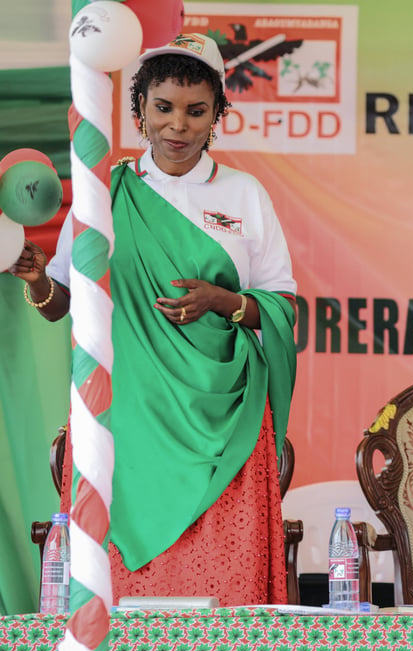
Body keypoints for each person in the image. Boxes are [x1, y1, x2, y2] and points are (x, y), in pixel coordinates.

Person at [9, 34, 297, 606]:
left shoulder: (244, 194)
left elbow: (283, 307)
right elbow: (66, 303)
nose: (178, 126)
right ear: (139, 109)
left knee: (225, 587)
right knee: (121, 581)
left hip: (227, 418)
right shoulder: (103, 192)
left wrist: (222, 300)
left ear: (218, 113)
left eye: (196, 111)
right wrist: (38, 280)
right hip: (126, 415)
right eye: (163, 108)